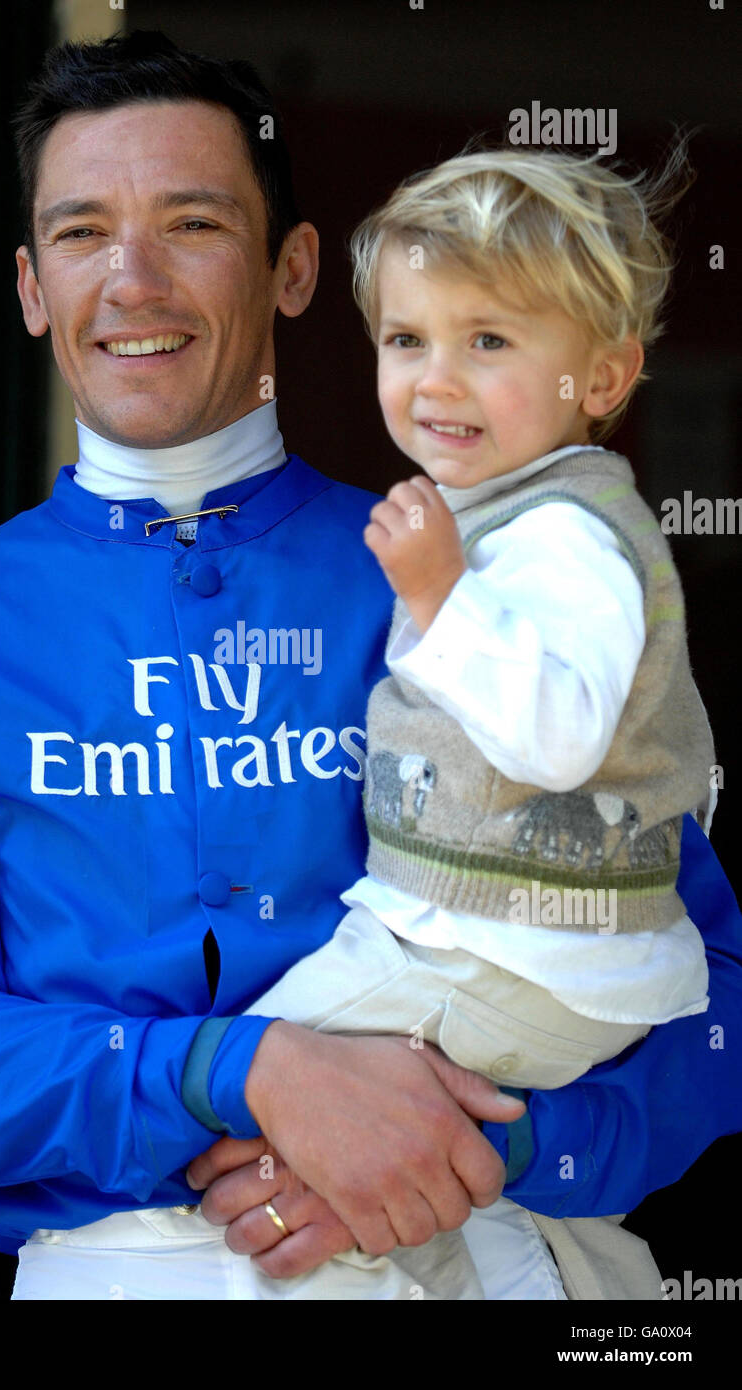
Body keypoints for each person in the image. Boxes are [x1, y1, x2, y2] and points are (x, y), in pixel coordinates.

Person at [0, 30, 742, 1301]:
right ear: (31, 288)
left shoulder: (475, 579)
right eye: (82, 234)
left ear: (293, 267)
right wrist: (242, 1073)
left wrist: (485, 1142)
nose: (130, 281)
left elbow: (703, 992)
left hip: (487, 1256)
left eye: (191, 222)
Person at [238, 144, 716, 1298]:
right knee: (368, 1168)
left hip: (511, 950)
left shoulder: (568, 536)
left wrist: (440, 596)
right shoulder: (498, 510)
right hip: (492, 943)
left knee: (252, 1091)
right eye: (408, 340)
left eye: (488, 341)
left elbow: (554, 738)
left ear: (600, 380)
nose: (436, 378)